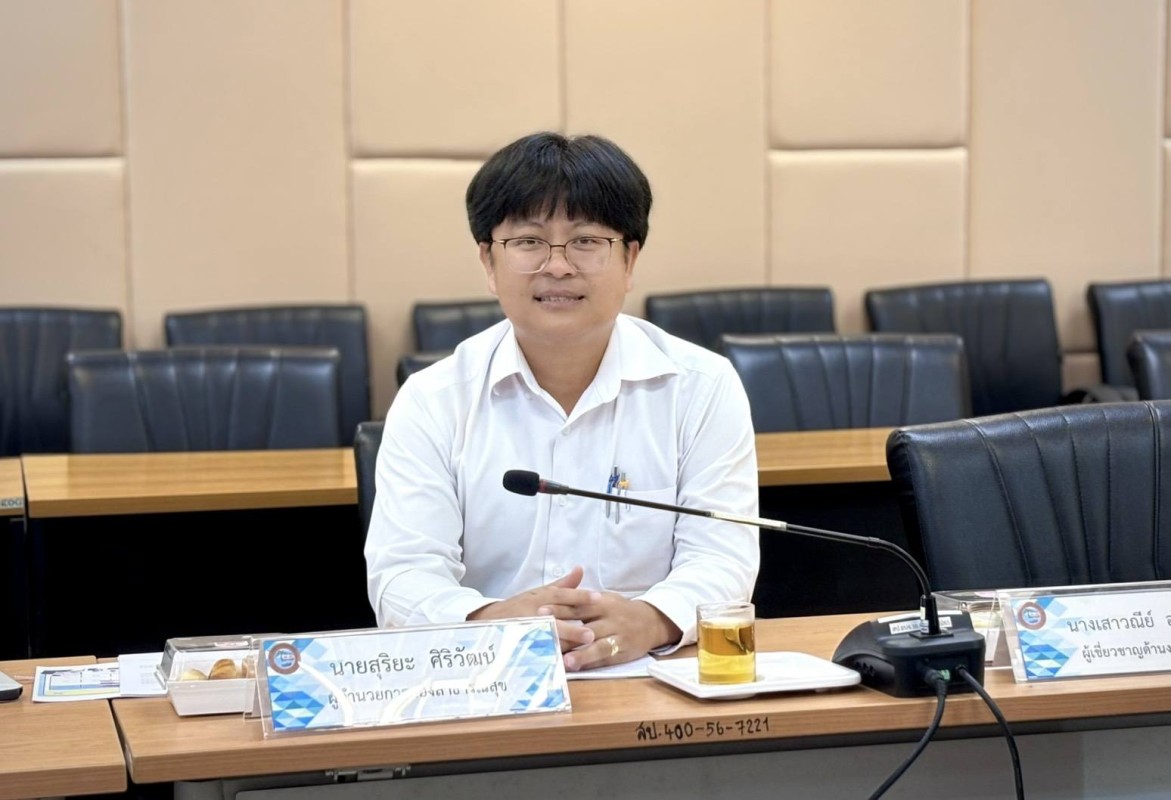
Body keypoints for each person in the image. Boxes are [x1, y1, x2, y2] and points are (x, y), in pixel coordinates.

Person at [364, 131, 759, 671]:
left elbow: (723, 555)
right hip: (484, 678)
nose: (558, 266)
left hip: (656, 678)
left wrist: (651, 619)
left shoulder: (701, 387)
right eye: (528, 241)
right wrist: (489, 622)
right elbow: (402, 574)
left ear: (630, 259)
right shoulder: (433, 400)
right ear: (488, 262)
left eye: (586, 240)